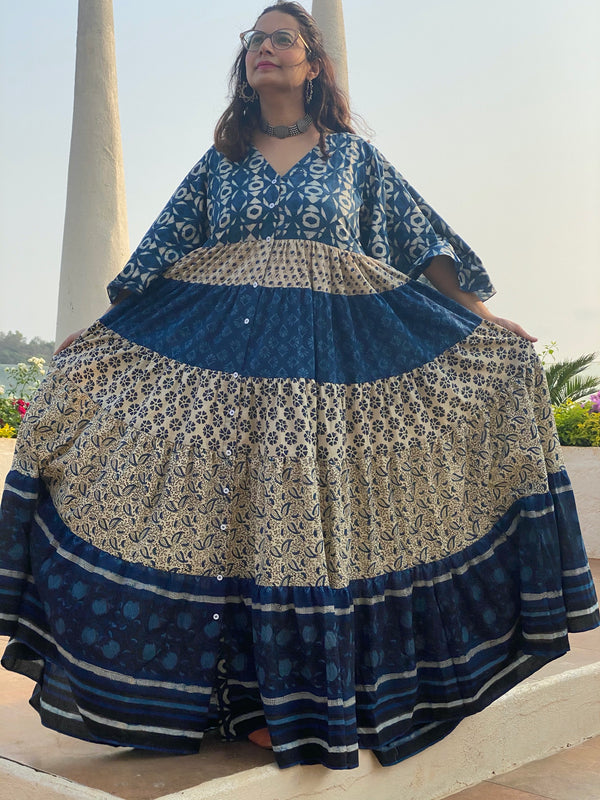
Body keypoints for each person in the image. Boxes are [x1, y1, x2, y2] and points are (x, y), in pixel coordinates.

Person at [0, 1, 597, 772]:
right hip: (237, 375)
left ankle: (315, 703)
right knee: (243, 529)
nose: (266, 49)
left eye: (283, 38)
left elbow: (425, 244)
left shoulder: (353, 161)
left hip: (330, 378)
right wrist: (99, 337)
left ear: (314, 63)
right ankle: (247, 704)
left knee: (311, 533)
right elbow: (157, 259)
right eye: (254, 40)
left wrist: (483, 318)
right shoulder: (221, 164)